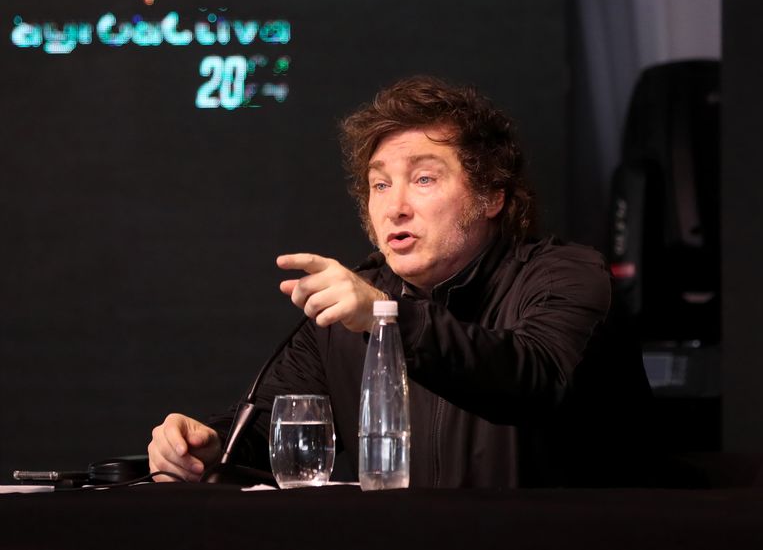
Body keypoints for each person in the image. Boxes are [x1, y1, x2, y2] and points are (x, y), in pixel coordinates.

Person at [148, 76, 651, 486]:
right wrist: (207, 444)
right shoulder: (351, 309)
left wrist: (386, 317)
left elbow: (536, 379)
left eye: (424, 179)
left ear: (492, 196)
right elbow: (268, 428)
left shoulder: (569, 274)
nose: (395, 207)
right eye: (381, 184)